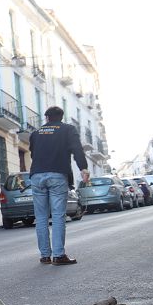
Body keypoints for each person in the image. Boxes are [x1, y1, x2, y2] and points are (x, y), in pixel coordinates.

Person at [29, 106, 90, 265]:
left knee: (41, 217)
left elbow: (33, 154)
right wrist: (83, 168)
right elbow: (77, 150)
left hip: (37, 176)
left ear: (47, 118)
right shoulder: (68, 130)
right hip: (57, 175)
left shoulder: (36, 133)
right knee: (57, 216)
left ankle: (45, 256)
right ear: (61, 117)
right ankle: (58, 255)